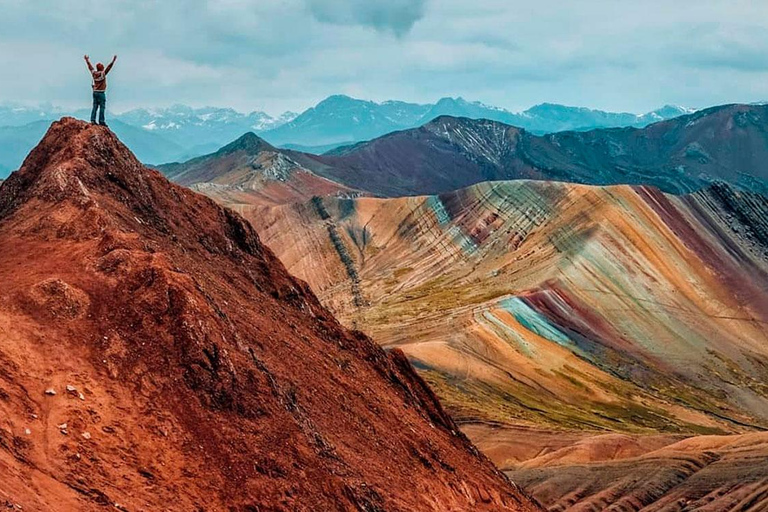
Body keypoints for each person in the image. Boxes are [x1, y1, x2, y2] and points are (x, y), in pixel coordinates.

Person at [84, 54, 117, 127]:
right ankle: (101, 121)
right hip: (101, 92)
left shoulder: (94, 74)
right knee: (102, 107)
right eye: (102, 66)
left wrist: (87, 60)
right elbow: (109, 67)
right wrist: (113, 61)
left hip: (95, 92)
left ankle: (93, 120)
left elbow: (90, 67)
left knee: (95, 106)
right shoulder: (103, 74)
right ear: (101, 68)